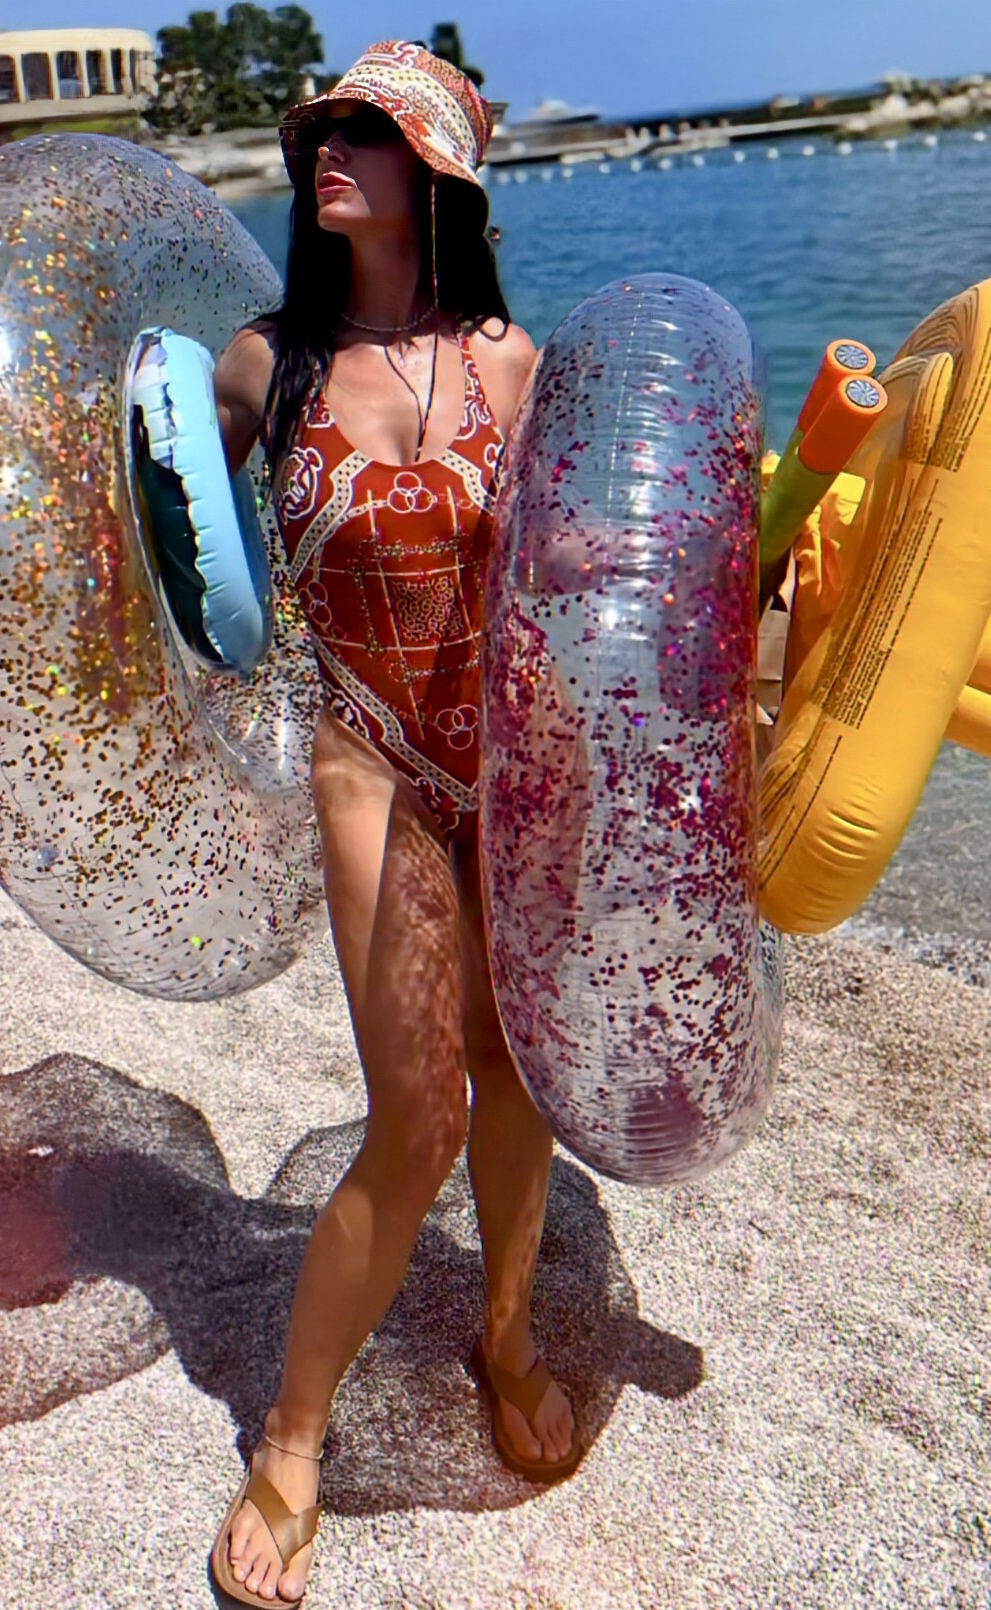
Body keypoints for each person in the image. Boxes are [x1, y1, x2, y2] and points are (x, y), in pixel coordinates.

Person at [211, 41, 582, 1607]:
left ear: (436, 175)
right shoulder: (263, 366)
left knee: (521, 1073)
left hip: (512, 764)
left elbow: (578, 562)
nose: (330, 149)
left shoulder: (510, 360)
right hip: (367, 759)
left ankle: (503, 1332)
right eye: (324, 127)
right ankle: (293, 1437)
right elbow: (157, 537)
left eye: (366, 131)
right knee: (419, 1111)